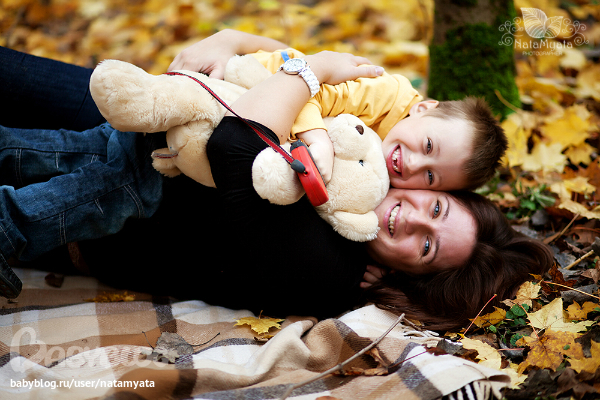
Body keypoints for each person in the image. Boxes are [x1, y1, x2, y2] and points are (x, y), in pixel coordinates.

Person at [0, 44, 552, 332]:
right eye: (436, 207)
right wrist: (234, 39)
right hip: (137, 120)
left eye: (426, 245)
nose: (410, 215)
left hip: (93, 206)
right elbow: (302, 65)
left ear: (409, 276)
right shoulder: (375, 153)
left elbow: (236, 143)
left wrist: (311, 71)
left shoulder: (332, 274)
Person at [168, 29, 508, 191]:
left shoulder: (385, 170)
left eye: (431, 177)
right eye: (429, 145)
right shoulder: (386, 94)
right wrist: (318, 138)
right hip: (257, 81)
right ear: (423, 108)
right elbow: (312, 89)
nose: (415, 164)